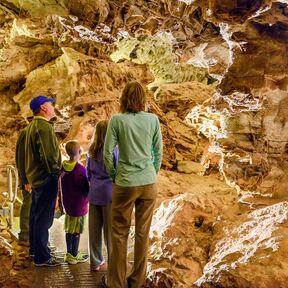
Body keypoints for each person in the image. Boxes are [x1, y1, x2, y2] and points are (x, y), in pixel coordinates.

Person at [104, 81, 163, 288]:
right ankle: (137, 281)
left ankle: (116, 283)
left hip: (125, 183)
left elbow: (107, 153)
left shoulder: (117, 120)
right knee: (142, 233)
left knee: (119, 233)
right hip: (148, 182)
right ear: (142, 99)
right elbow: (158, 152)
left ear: (123, 99)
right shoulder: (153, 120)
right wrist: (151, 172)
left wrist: (114, 175)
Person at [25, 95, 62, 266]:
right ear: (43, 108)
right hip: (46, 178)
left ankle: (35, 250)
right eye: (50, 104)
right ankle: (42, 257)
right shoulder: (44, 127)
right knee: (44, 218)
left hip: (36, 178)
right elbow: (48, 156)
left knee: (36, 215)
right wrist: (56, 174)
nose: (53, 106)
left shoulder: (32, 126)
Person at [87, 120, 118, 272]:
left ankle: (95, 262)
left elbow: (88, 173)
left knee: (94, 230)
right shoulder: (114, 150)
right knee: (110, 231)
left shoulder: (91, 150)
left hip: (93, 193)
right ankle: (113, 263)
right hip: (109, 193)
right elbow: (118, 171)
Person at [60, 140, 89, 264]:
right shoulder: (80, 169)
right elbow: (86, 188)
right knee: (77, 230)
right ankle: (74, 255)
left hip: (68, 205)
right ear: (79, 152)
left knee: (69, 229)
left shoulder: (63, 166)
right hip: (79, 205)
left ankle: (69, 253)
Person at [15, 124, 32, 246]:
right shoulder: (27, 132)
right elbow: (21, 158)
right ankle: (25, 235)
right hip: (29, 179)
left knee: (32, 205)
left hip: (32, 177)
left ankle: (30, 235)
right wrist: (26, 180)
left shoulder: (29, 131)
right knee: (28, 203)